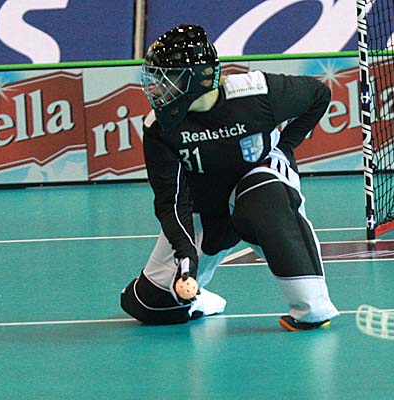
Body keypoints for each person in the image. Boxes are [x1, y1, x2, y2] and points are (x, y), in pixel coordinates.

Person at [120, 24, 340, 331]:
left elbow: (319, 94)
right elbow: (170, 201)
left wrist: (285, 147)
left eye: (167, 78)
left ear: (196, 78)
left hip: (260, 188)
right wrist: (186, 258)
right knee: (148, 305)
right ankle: (200, 300)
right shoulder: (159, 127)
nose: (157, 88)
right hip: (207, 206)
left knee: (262, 189)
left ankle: (312, 308)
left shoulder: (257, 93)